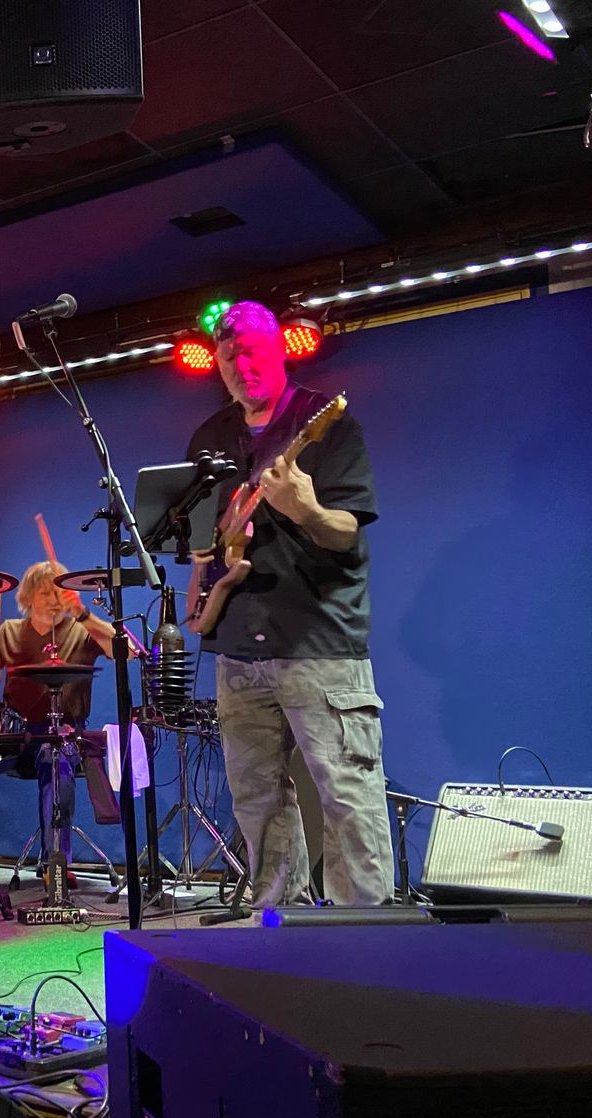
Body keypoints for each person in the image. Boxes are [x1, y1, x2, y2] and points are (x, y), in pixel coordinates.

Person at [184, 300, 392, 907]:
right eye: (228, 357)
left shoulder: (325, 422)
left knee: (346, 794)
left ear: (279, 350)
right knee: (256, 799)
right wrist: (205, 552)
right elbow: (200, 536)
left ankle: (367, 934)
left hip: (316, 640)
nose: (240, 366)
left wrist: (306, 508)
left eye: (251, 352)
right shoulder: (210, 438)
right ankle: (279, 921)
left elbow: (345, 531)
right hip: (236, 643)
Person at [0, 561, 120, 882]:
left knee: (54, 758)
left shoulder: (81, 631)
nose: (54, 600)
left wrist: (84, 615)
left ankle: (56, 864)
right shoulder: (8, 631)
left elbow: (121, 649)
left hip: (65, 734)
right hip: (16, 737)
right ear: (29, 597)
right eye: (45, 593)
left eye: (60, 592)